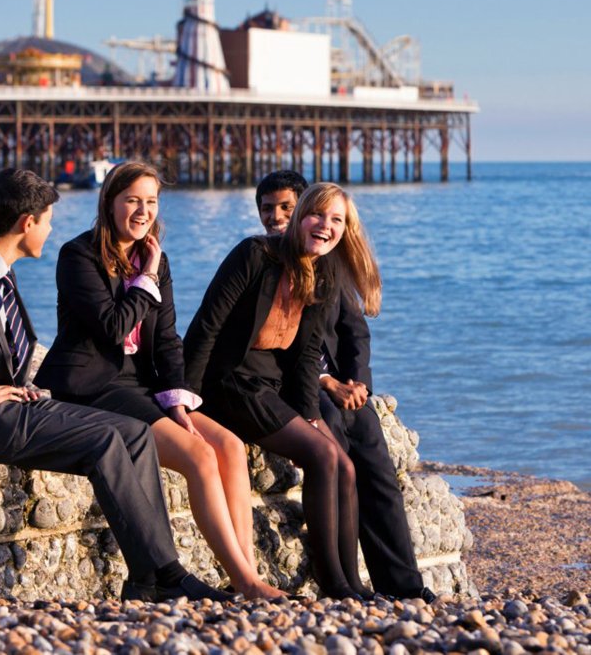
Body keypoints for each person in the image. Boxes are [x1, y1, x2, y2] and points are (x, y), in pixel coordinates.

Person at [0, 167, 227, 604]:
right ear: (27, 223)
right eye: (47, 219)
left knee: (135, 433)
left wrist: (12, 387)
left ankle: (152, 575)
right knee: (106, 437)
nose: (51, 229)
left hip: (11, 405)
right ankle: (165, 574)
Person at [35, 162, 283, 600]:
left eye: (150, 201)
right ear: (109, 203)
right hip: (92, 386)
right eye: (132, 200)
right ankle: (247, 582)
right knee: (199, 456)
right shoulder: (79, 256)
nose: (142, 210)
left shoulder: (155, 260)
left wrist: (177, 402)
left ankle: (246, 573)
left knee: (229, 446)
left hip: (141, 385)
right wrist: (145, 277)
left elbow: (167, 339)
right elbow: (113, 327)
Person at [184, 181, 377, 600]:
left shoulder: (325, 272)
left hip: (271, 385)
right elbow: (206, 325)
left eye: (337, 220)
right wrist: (186, 399)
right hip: (228, 382)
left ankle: (352, 582)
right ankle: (333, 584)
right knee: (323, 454)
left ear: (345, 229)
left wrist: (310, 415)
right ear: (301, 215)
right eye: (318, 215)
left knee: (342, 462)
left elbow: (307, 356)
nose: (325, 226)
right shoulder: (254, 255)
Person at [254, 170, 434, 601]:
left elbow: (354, 334)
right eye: (268, 209)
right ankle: (342, 580)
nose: (277, 216)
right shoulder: (261, 259)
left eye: (286, 207)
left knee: (375, 457)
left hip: (334, 384)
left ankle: (403, 585)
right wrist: (325, 382)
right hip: (289, 385)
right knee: (332, 441)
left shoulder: (329, 263)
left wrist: (357, 384)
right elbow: (263, 346)